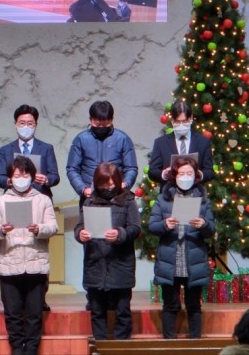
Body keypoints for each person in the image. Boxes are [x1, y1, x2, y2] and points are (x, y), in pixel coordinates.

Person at [0, 156, 58, 355]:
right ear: (10, 178)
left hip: (36, 265)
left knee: (35, 314)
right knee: (13, 314)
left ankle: (31, 350)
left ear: (32, 177)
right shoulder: (1, 201)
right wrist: (1, 230)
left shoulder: (43, 199)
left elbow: (53, 227)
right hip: (10, 264)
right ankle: (17, 349)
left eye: (25, 174)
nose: (21, 179)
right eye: (17, 175)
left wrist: (39, 229)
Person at [149, 157, 215, 339]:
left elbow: (211, 229)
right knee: (170, 305)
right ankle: (169, 343)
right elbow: (152, 226)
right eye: (181, 173)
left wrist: (203, 224)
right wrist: (165, 224)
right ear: (174, 175)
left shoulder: (203, 200)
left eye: (189, 173)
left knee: (194, 305)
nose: (185, 177)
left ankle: (195, 344)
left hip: (193, 259)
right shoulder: (163, 199)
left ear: (196, 176)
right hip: (170, 259)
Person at [75, 162, 140, 340]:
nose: (108, 188)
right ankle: (101, 346)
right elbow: (79, 227)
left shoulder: (128, 201)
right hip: (95, 263)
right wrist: (81, 234)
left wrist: (119, 233)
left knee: (123, 312)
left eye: (111, 184)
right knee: (97, 312)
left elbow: (135, 228)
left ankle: (121, 348)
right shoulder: (90, 202)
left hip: (121, 263)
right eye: (104, 184)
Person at [66, 100, 138, 208]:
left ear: (112, 120)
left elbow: (131, 168)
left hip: (117, 197)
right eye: (97, 124)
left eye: (105, 124)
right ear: (90, 120)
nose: (101, 127)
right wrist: (82, 189)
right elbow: (72, 169)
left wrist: (125, 184)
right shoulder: (81, 139)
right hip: (90, 197)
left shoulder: (123, 139)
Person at [0, 104, 60, 199]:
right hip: (13, 198)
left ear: (35, 125)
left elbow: (55, 176)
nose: (26, 127)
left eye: (30, 123)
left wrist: (46, 179)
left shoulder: (47, 148)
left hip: (40, 197)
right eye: (22, 123)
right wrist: (10, 181)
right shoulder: (5, 150)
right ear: (15, 124)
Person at [149, 100, 214, 190]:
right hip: (169, 194)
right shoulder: (161, 143)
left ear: (191, 118)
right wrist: (164, 174)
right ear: (172, 121)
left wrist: (199, 174)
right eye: (177, 122)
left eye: (185, 121)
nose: (181, 125)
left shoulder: (203, 142)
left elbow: (209, 172)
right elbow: (152, 172)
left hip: (195, 193)